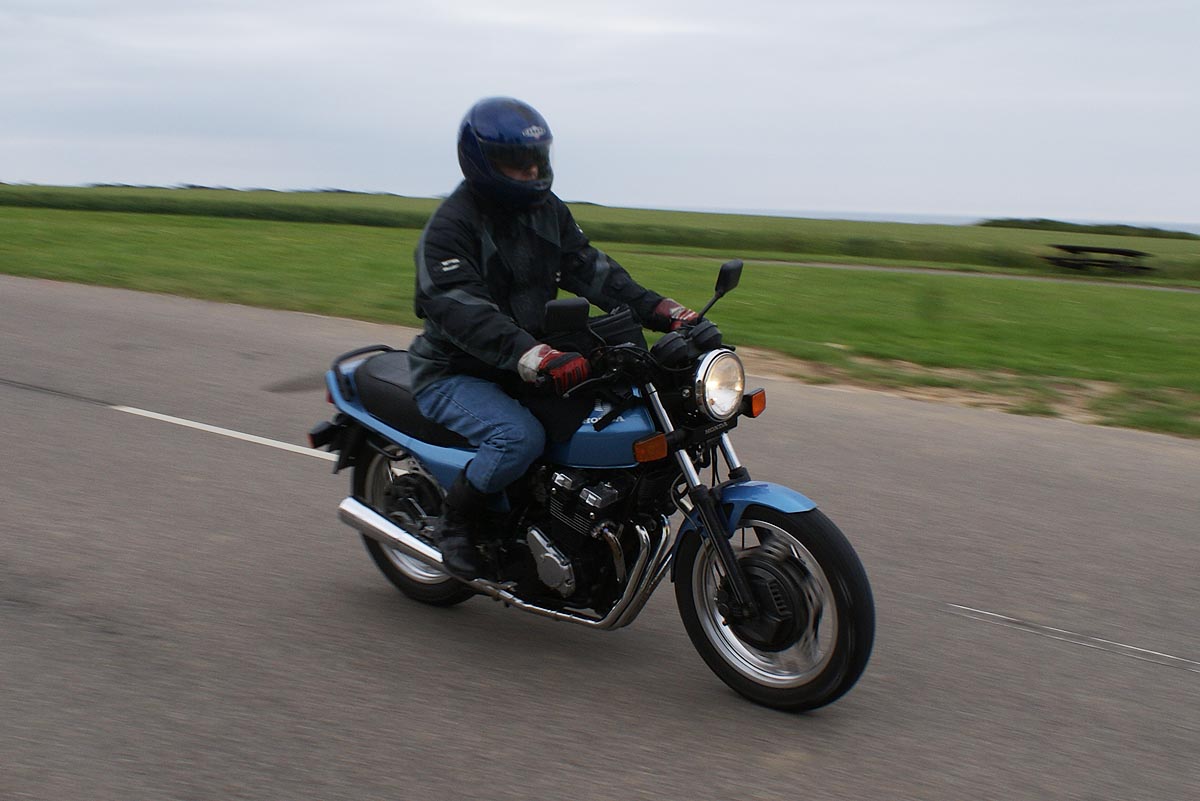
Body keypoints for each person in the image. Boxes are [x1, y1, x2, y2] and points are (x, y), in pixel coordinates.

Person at [409, 96, 699, 581]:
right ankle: (456, 524)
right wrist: (535, 354)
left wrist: (664, 311)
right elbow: (463, 310)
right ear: (480, 162)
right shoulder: (451, 228)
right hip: (456, 370)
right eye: (514, 162)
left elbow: (593, 271)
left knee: (623, 411)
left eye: (535, 159)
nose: (529, 171)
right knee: (518, 438)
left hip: (527, 363)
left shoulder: (546, 211)